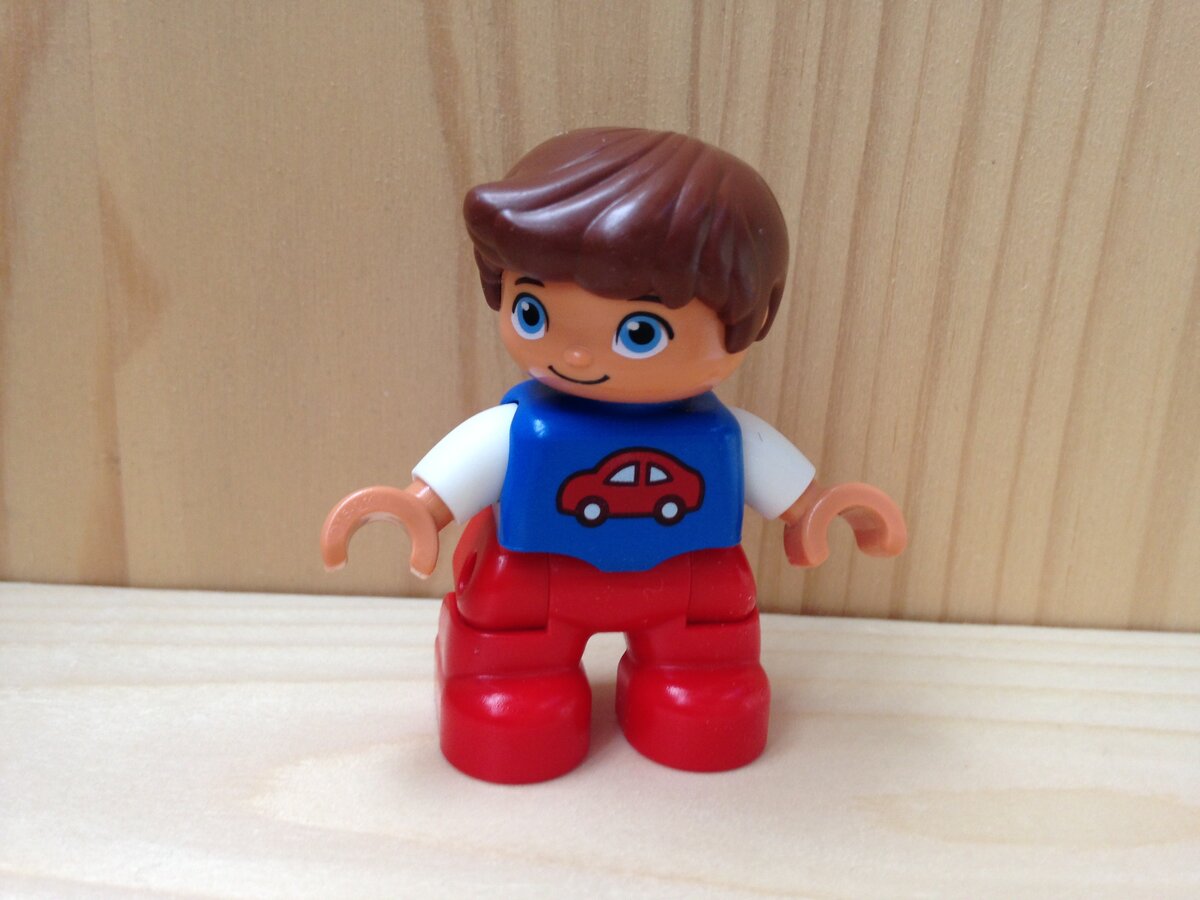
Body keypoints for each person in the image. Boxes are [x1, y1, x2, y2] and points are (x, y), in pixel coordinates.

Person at [321, 128, 906, 784]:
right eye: (533, 312)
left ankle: (696, 684)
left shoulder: (722, 435)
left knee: (708, 669)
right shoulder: (520, 428)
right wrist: (418, 509)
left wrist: (817, 513)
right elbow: (459, 472)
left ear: (751, 319)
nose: (576, 354)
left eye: (640, 331)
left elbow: (790, 490)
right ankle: (509, 689)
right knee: (511, 677)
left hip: (689, 580)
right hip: (537, 579)